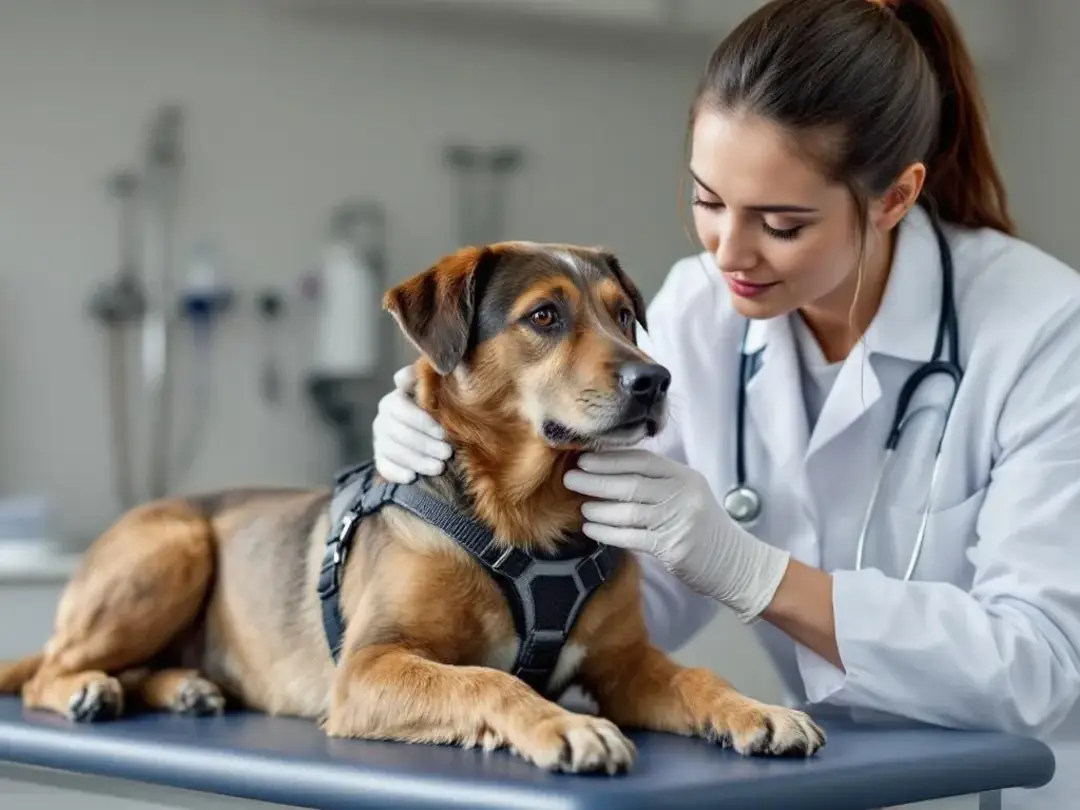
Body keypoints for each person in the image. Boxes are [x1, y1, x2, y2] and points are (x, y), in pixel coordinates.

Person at [370, 0, 1080, 805]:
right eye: (709, 201)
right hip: (827, 775)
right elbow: (632, 604)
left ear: (893, 197)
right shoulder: (699, 312)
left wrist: (752, 571)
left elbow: (1038, 669)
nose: (729, 254)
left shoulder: (1046, 332)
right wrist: (454, 437)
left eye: (781, 222)